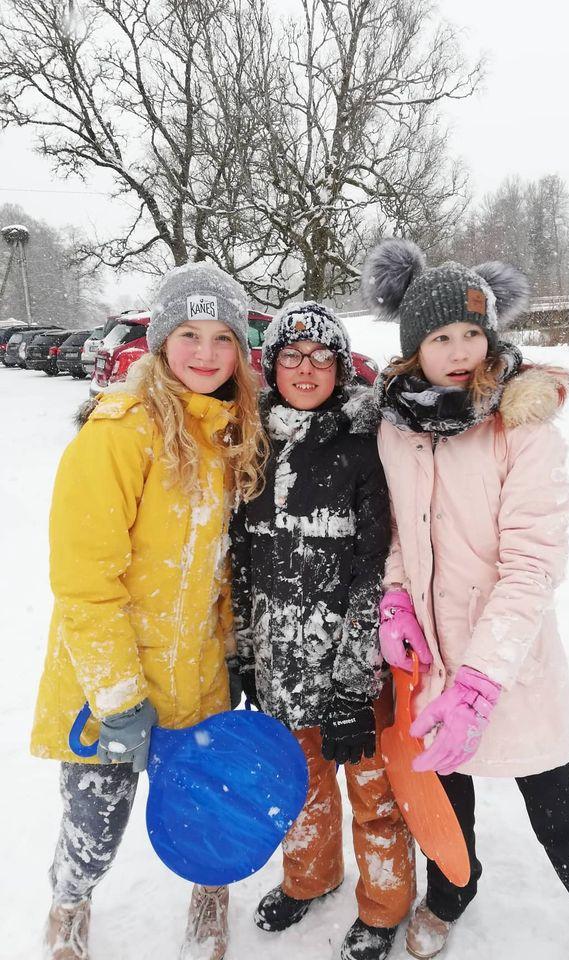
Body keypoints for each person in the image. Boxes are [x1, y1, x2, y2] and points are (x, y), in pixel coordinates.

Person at [361, 239, 569, 960]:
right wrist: (396, 597)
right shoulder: (397, 428)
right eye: (441, 337)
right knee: (444, 797)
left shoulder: (521, 426)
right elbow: (399, 531)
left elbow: (533, 566)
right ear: (414, 346)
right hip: (432, 661)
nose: (461, 350)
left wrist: (482, 681)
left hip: (509, 664)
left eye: (473, 332)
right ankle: (451, 893)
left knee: (559, 810)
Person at [31, 263, 267, 960]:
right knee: (95, 824)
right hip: (108, 681)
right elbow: (84, 579)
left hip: (197, 672)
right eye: (189, 334)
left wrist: (235, 652)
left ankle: (210, 892)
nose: (206, 353)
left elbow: (222, 568)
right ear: (161, 340)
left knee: (206, 809)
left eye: (223, 338)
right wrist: (117, 696)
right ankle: (69, 901)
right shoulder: (120, 431)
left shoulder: (232, 431)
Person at [229, 302, 415, 960]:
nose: (305, 369)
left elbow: (374, 573)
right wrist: (244, 656)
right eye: (291, 355)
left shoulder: (364, 449)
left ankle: (385, 906)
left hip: (350, 671)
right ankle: (310, 878)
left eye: (321, 357)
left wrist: (353, 686)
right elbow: (242, 563)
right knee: (300, 787)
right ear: (271, 365)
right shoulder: (253, 445)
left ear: (341, 367)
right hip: (280, 665)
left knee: (374, 796)